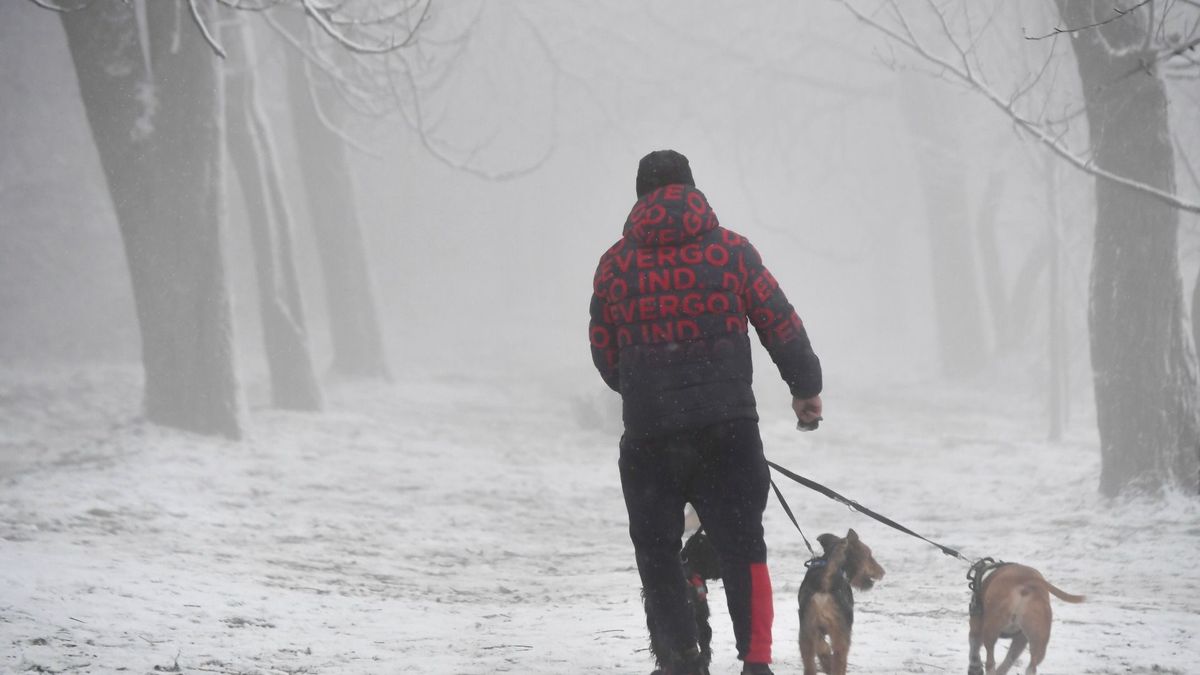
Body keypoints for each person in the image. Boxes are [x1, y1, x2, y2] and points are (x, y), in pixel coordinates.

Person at [588, 150, 823, 675]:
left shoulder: (615, 264)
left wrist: (646, 391)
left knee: (657, 553)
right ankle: (757, 661)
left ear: (641, 197)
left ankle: (680, 658)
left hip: (651, 438)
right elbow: (778, 321)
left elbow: (605, 351)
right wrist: (805, 386)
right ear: (692, 190)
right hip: (729, 434)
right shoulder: (732, 253)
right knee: (745, 551)